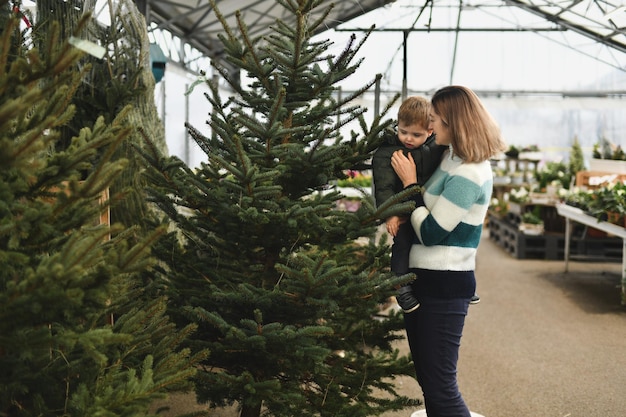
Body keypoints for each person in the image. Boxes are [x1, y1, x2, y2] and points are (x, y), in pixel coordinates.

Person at [390, 85, 506, 416]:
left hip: (444, 285)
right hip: (424, 280)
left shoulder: (470, 172)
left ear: (454, 123)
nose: (432, 128)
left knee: (442, 388)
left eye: (437, 121)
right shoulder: (452, 157)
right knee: (430, 382)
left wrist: (411, 185)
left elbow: (430, 231)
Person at [372, 96, 446, 313]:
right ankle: (401, 287)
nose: (408, 139)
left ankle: (457, 283)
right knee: (402, 244)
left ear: (430, 131)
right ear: (398, 124)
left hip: (428, 205)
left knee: (440, 238)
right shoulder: (387, 152)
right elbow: (383, 187)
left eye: (416, 135)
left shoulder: (436, 147)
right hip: (402, 209)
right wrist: (391, 214)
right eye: (403, 131)